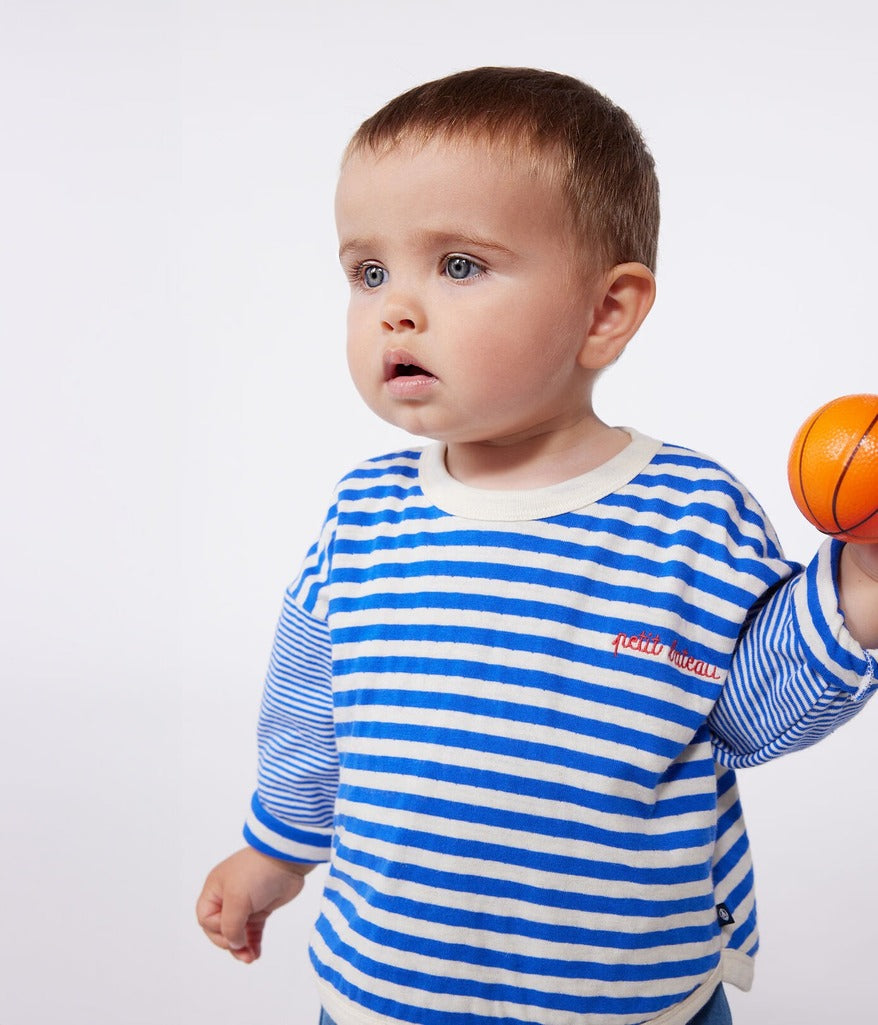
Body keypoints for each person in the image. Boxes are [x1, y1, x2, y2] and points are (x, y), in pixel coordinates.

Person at [196, 67, 878, 1025]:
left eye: (460, 265)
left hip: (624, 991)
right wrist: (276, 850)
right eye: (369, 271)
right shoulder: (364, 514)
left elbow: (747, 715)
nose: (396, 308)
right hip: (393, 983)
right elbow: (312, 706)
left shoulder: (689, 512)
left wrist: (859, 584)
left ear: (605, 311)